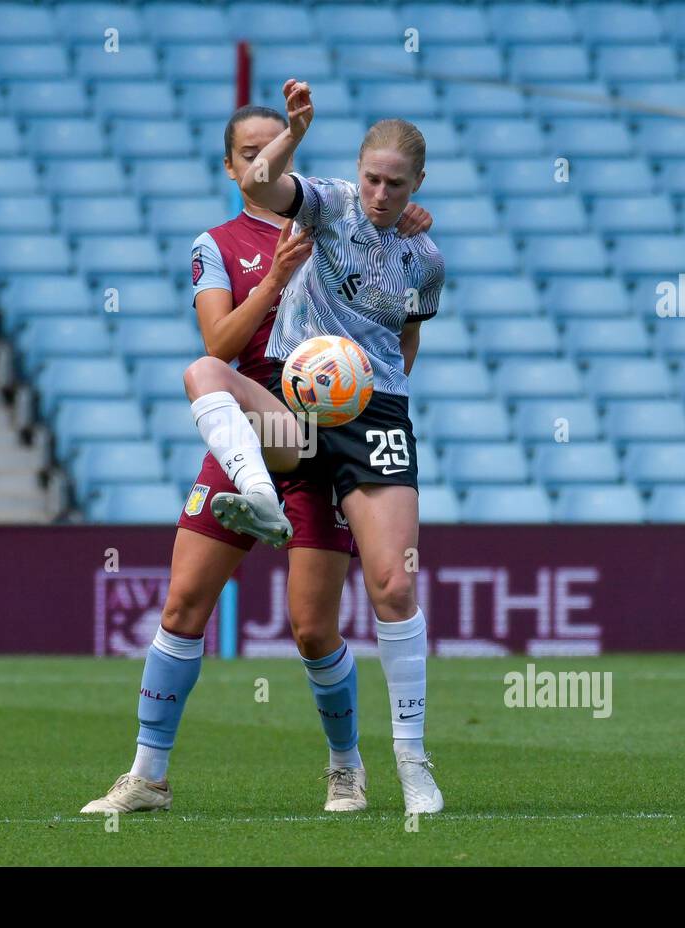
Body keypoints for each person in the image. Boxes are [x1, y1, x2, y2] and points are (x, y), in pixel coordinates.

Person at [81, 105, 435, 815]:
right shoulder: (221, 243)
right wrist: (273, 281)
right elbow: (217, 344)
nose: (256, 161)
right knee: (183, 601)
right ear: (230, 164)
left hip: (331, 424)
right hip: (253, 421)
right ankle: (147, 776)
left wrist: (397, 212)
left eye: (266, 148)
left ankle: (347, 767)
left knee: (313, 627)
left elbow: (402, 331)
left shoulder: (340, 217)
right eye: (247, 151)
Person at [181, 79, 447, 813]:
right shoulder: (327, 202)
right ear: (355, 172)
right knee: (205, 370)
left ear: (417, 184)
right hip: (296, 414)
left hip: (373, 416)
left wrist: (382, 391)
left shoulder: (426, 259)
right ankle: (260, 498)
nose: (382, 192)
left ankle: (412, 760)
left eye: (397, 184)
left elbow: (409, 333)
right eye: (372, 177)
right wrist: (293, 130)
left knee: (392, 584)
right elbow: (262, 181)